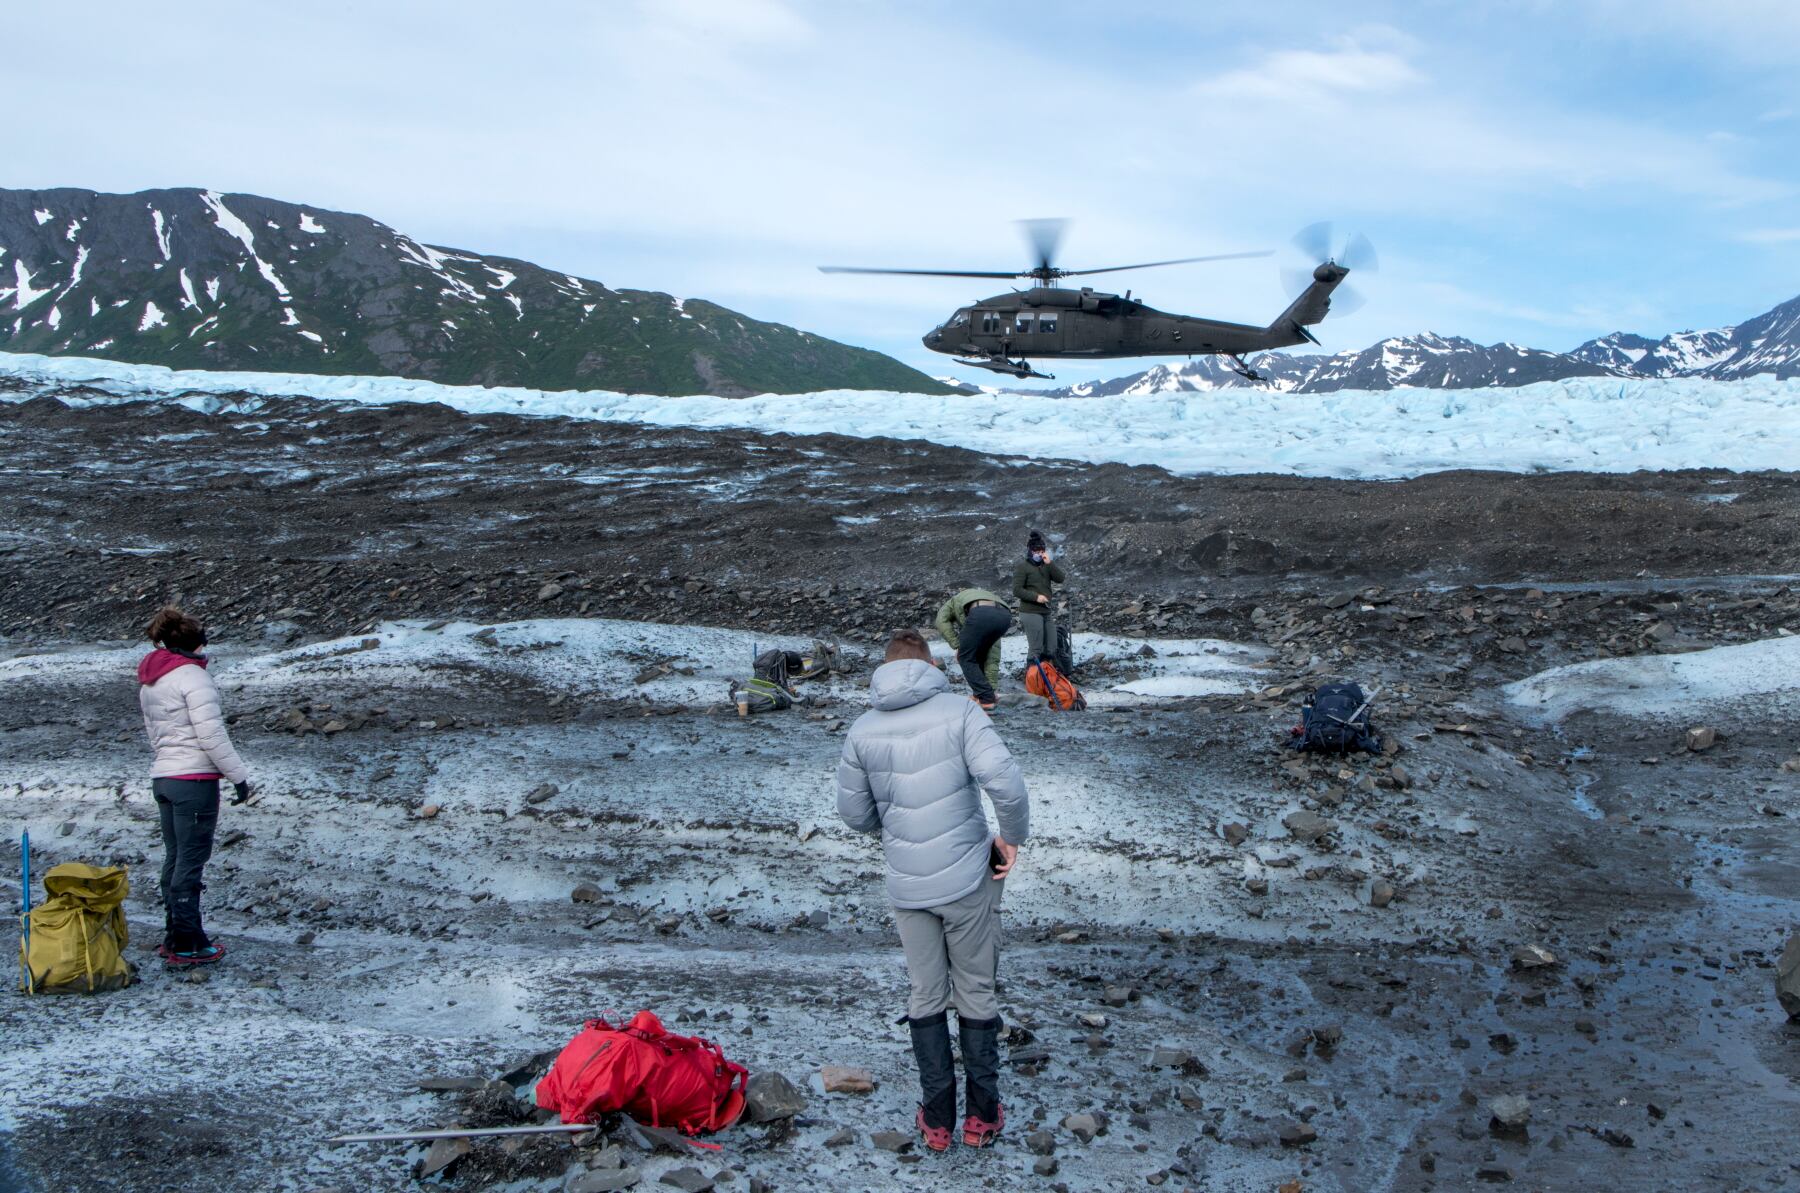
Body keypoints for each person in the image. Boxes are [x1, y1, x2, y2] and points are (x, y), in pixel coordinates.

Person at [837, 629, 1030, 1152]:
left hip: (906, 882)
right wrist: (1011, 838)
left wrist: (897, 828)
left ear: (885, 667)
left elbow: (854, 815)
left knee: (925, 992)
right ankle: (981, 1118)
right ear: (930, 664)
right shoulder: (961, 712)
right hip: (967, 876)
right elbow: (1006, 783)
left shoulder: (862, 728)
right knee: (975, 989)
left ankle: (938, 1121)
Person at [136, 606, 251, 966]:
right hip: (194, 781)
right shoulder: (194, 678)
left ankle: (175, 936)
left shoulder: (152, 681)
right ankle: (188, 944)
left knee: (174, 859)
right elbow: (211, 735)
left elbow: (155, 733)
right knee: (190, 862)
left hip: (165, 777)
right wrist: (239, 777)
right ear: (194, 644)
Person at [933, 586, 1013, 712]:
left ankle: (986, 700)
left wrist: (957, 645)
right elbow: (993, 655)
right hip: (1005, 616)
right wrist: (992, 688)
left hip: (980, 613)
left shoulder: (952, 602)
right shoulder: (981, 597)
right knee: (979, 653)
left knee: (964, 657)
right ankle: (982, 694)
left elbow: (940, 621)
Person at [1012, 530, 1067, 668]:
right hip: (1030, 611)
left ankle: (1048, 674)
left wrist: (1050, 563)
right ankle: (1033, 677)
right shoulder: (1023, 567)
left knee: (1051, 646)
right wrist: (1036, 597)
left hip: (1046, 611)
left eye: (1041, 551)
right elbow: (1017, 590)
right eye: (1036, 551)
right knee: (1036, 647)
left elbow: (1060, 578)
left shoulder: (1045, 565)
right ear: (1030, 551)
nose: (1039, 554)